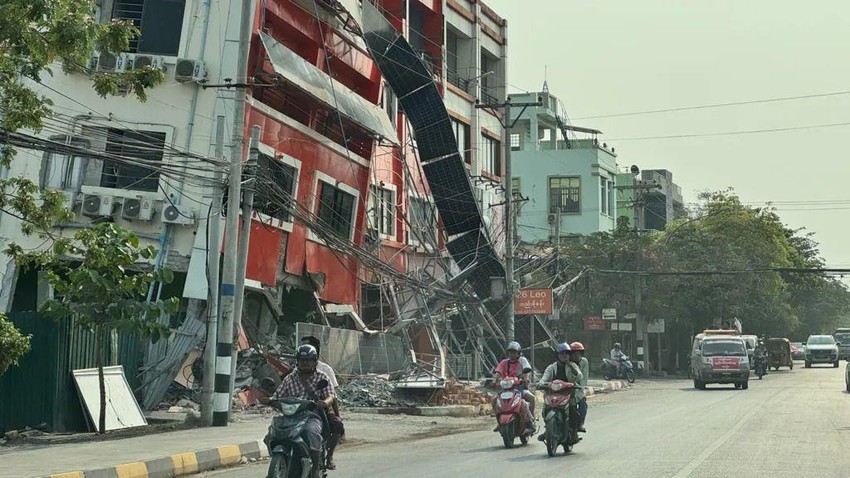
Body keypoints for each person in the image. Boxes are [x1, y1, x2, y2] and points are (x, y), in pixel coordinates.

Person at [271, 344, 335, 472]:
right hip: (290, 415)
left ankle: (316, 468)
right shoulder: (290, 378)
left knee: (311, 432)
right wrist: (269, 400)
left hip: (311, 415)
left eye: (308, 360)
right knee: (271, 433)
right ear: (297, 361)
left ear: (315, 361)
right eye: (302, 360)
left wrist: (325, 402)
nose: (305, 363)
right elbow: (277, 395)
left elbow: (331, 395)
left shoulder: (322, 377)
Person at [300, 335, 343, 470]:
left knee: (337, 425)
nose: (304, 362)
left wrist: (337, 414)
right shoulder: (295, 372)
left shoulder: (325, 371)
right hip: (299, 409)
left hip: (320, 409)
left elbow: (332, 396)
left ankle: (328, 457)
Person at [537, 342, 583, 441]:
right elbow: (544, 378)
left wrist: (569, 365)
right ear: (557, 355)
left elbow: (579, 376)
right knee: (546, 409)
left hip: (568, 394)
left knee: (573, 409)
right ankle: (548, 429)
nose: (564, 355)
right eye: (562, 353)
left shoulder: (573, 365)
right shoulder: (551, 367)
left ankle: (574, 432)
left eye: (566, 353)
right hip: (553, 394)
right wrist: (541, 384)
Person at [492, 341, 536, 434]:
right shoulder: (504, 362)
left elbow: (526, 370)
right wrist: (494, 380)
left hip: (520, 388)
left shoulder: (522, 360)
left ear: (518, 353)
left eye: (514, 352)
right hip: (506, 389)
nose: (512, 354)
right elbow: (498, 372)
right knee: (494, 400)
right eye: (510, 352)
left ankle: (531, 421)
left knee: (530, 399)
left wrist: (526, 379)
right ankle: (499, 422)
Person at [569, 341, 589, 432]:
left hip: (578, 389)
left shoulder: (584, 362)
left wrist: (580, 386)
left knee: (583, 405)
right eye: (573, 353)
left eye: (578, 353)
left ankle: (580, 424)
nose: (576, 356)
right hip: (566, 389)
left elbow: (584, 377)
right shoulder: (566, 363)